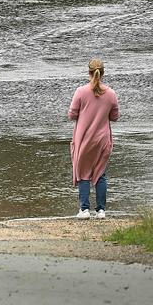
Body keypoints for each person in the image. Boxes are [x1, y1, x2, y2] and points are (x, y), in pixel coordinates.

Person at [69, 58, 120, 219]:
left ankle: (84, 209)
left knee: (83, 172)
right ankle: (101, 211)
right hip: (102, 140)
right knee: (100, 173)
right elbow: (115, 117)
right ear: (103, 73)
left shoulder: (80, 91)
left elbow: (72, 114)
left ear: (89, 72)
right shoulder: (111, 94)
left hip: (84, 139)